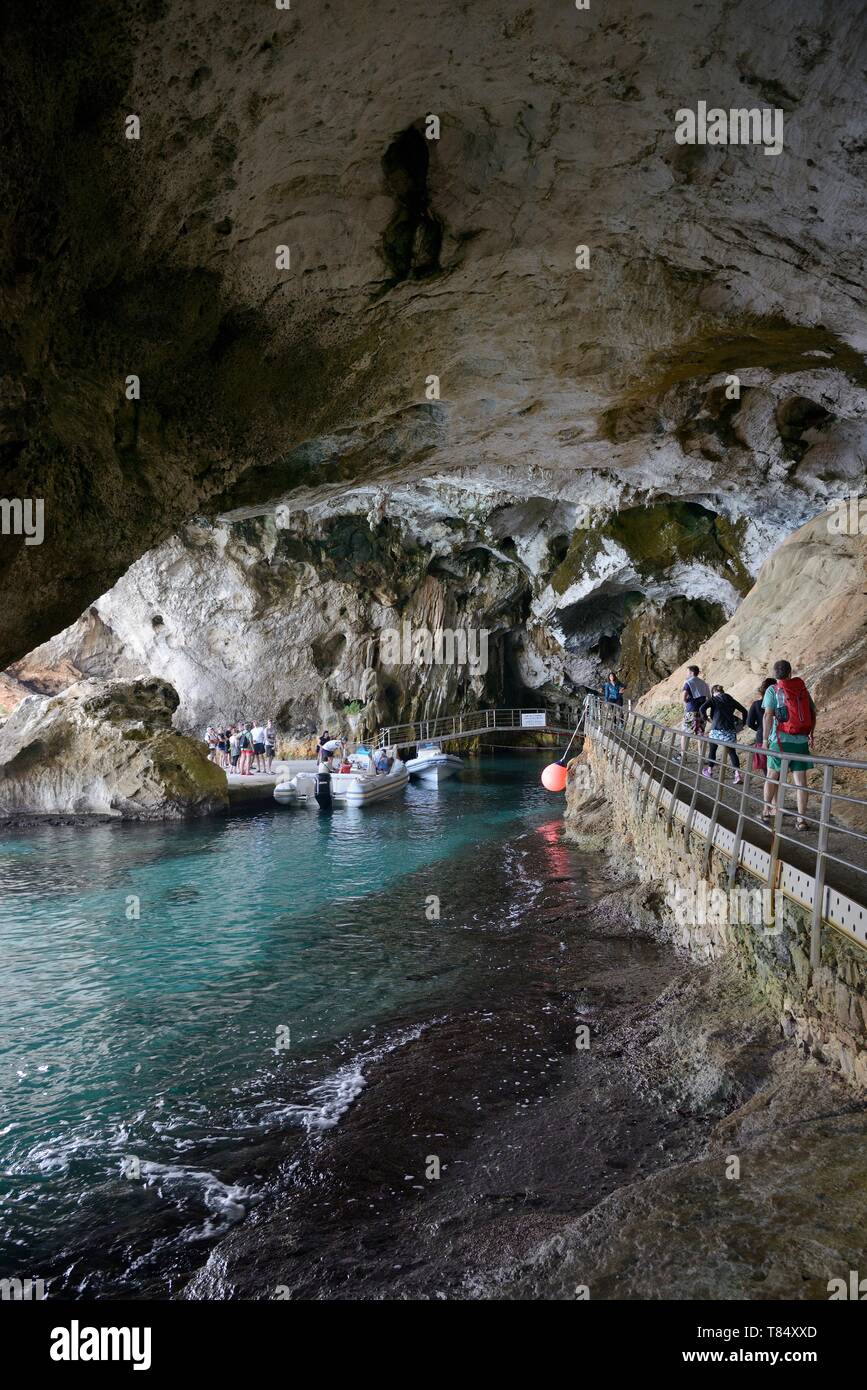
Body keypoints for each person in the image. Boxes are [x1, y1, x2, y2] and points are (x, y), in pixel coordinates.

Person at [762, 660, 816, 831]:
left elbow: (768, 716)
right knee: (800, 782)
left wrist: (764, 740)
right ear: (790, 672)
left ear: (774, 673)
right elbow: (812, 713)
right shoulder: (802, 689)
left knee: (772, 775)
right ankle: (801, 820)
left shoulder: (773, 690)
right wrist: (810, 734)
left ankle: (765, 811)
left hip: (779, 741)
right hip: (800, 741)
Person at [700, 685, 749, 782]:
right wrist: (742, 723)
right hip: (730, 730)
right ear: (723, 691)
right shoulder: (730, 699)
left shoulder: (713, 699)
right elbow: (744, 711)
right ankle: (737, 774)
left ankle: (709, 771)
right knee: (732, 752)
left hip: (716, 730)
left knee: (713, 749)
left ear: (713, 693)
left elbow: (702, 708)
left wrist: (706, 718)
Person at [679, 665, 711, 760]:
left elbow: (684, 697)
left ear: (692, 673)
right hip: (701, 712)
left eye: (687, 672)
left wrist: (687, 702)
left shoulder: (688, 682)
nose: (686, 674)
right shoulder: (704, 684)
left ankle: (683, 755)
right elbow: (709, 698)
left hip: (690, 711)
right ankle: (700, 758)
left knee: (685, 734)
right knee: (700, 735)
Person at [747, 678, 775, 775]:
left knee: (766, 771)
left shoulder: (756, 704)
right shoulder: (778, 703)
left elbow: (749, 722)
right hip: (777, 737)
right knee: (776, 769)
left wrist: (759, 728)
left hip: (761, 738)